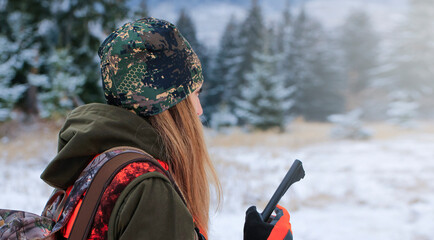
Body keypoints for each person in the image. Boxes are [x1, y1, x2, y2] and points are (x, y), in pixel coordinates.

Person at [40, 17, 293, 240]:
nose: (199, 110)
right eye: (195, 93)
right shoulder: (147, 188)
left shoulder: (94, 163)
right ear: (171, 101)